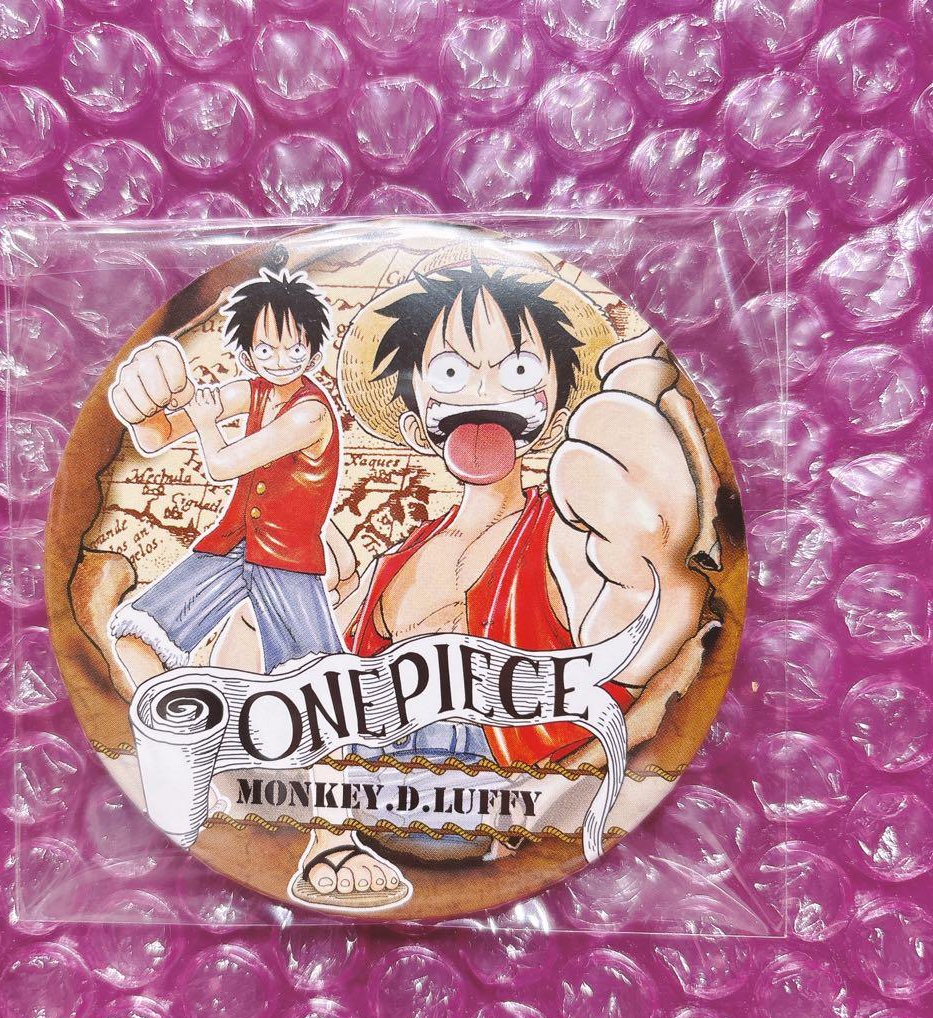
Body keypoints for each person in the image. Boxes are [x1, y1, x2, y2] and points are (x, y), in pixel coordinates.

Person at [290, 257, 722, 909]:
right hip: (361, 822)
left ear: (551, 407)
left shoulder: (566, 535)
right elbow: (323, 706)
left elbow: (654, 633)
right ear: (415, 420)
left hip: (507, 824)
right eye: (450, 373)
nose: (482, 391)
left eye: (517, 370)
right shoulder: (390, 563)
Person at [106, 267, 344, 684]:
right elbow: (160, 435)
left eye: (294, 349)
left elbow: (222, 464)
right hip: (233, 544)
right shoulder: (252, 391)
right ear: (249, 356)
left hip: (286, 561)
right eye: (266, 349)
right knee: (136, 639)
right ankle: (178, 718)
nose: (280, 361)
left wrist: (203, 420)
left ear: (312, 354)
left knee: (319, 686)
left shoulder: (310, 414)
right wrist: (148, 403)